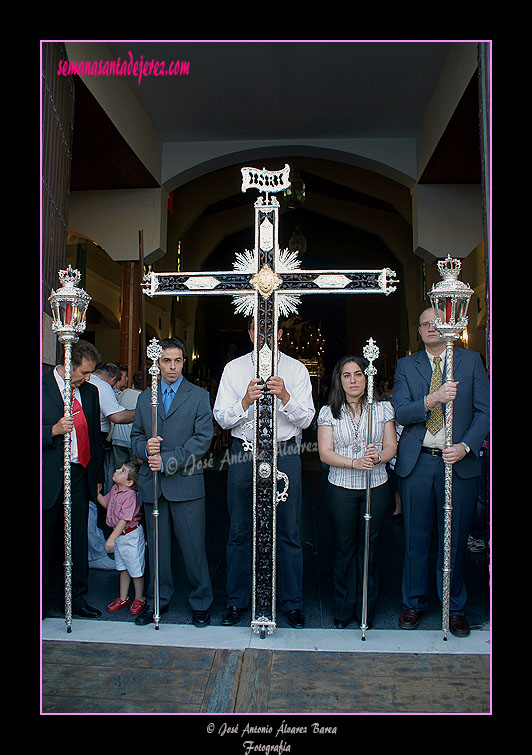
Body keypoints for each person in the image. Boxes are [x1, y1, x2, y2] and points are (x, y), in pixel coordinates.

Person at [392, 307, 490, 637]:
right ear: (418, 332)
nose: (432, 328)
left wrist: (465, 446)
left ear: (450, 326)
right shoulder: (407, 365)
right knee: (416, 536)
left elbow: (484, 411)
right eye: (425, 324)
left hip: (458, 461)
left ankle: (454, 606)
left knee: (455, 537)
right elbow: (402, 412)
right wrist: (434, 398)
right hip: (418, 461)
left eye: (437, 322)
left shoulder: (471, 360)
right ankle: (414, 602)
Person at [213, 319, 315, 628]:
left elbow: (307, 418)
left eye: (270, 329)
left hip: (284, 452)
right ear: (250, 333)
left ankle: (292, 603)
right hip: (245, 451)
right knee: (240, 528)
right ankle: (236, 600)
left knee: (289, 530)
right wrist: (244, 401)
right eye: (258, 329)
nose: (264, 335)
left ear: (281, 334)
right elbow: (221, 417)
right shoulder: (234, 369)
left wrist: (284, 396)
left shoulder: (296, 370)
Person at [130, 337, 214, 627]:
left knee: (193, 548)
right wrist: (145, 450)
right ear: (158, 362)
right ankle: (157, 600)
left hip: (186, 483)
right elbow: (135, 439)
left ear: (183, 362)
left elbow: (203, 440)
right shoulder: (144, 398)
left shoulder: (198, 396)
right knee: (157, 547)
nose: (173, 366)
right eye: (167, 360)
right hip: (152, 484)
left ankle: (201, 602)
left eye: (178, 360)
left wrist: (168, 460)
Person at [317, 355, 397, 629]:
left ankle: (366, 609)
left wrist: (377, 458)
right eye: (347, 375)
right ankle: (343, 608)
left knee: (370, 549)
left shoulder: (383, 409)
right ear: (339, 380)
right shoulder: (328, 412)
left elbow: (391, 448)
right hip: (341, 488)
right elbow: (325, 453)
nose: (353, 380)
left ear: (368, 377)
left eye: (359, 374)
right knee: (344, 548)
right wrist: (354, 462)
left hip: (375, 486)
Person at [42, 340, 104, 620]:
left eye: (90, 373)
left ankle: (76, 598)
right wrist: (52, 430)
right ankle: (45, 601)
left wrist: (97, 477)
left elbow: (95, 437)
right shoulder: (43, 386)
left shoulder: (89, 392)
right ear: (68, 366)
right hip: (50, 476)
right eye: (83, 372)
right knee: (48, 540)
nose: (87, 378)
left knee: (77, 538)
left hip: (80, 474)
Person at [88, 363, 136, 570]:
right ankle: (95, 552)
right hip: (93, 442)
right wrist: (144, 410)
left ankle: (97, 546)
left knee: (92, 495)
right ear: (113, 380)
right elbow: (116, 416)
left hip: (99, 441)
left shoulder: (93, 383)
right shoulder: (102, 386)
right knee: (90, 497)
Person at [97, 460, 146, 615]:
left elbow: (124, 520)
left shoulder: (130, 496)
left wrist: (111, 538)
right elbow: (107, 503)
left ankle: (140, 598)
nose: (117, 470)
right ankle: (123, 597)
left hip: (130, 536)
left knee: (135, 568)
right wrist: (96, 493)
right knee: (122, 567)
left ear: (129, 482)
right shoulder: (114, 490)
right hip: (119, 537)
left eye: (123, 471)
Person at [112, 370, 144, 468]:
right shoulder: (144, 397)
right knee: (133, 472)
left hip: (118, 437)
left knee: (119, 470)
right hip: (131, 439)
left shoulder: (126, 392)